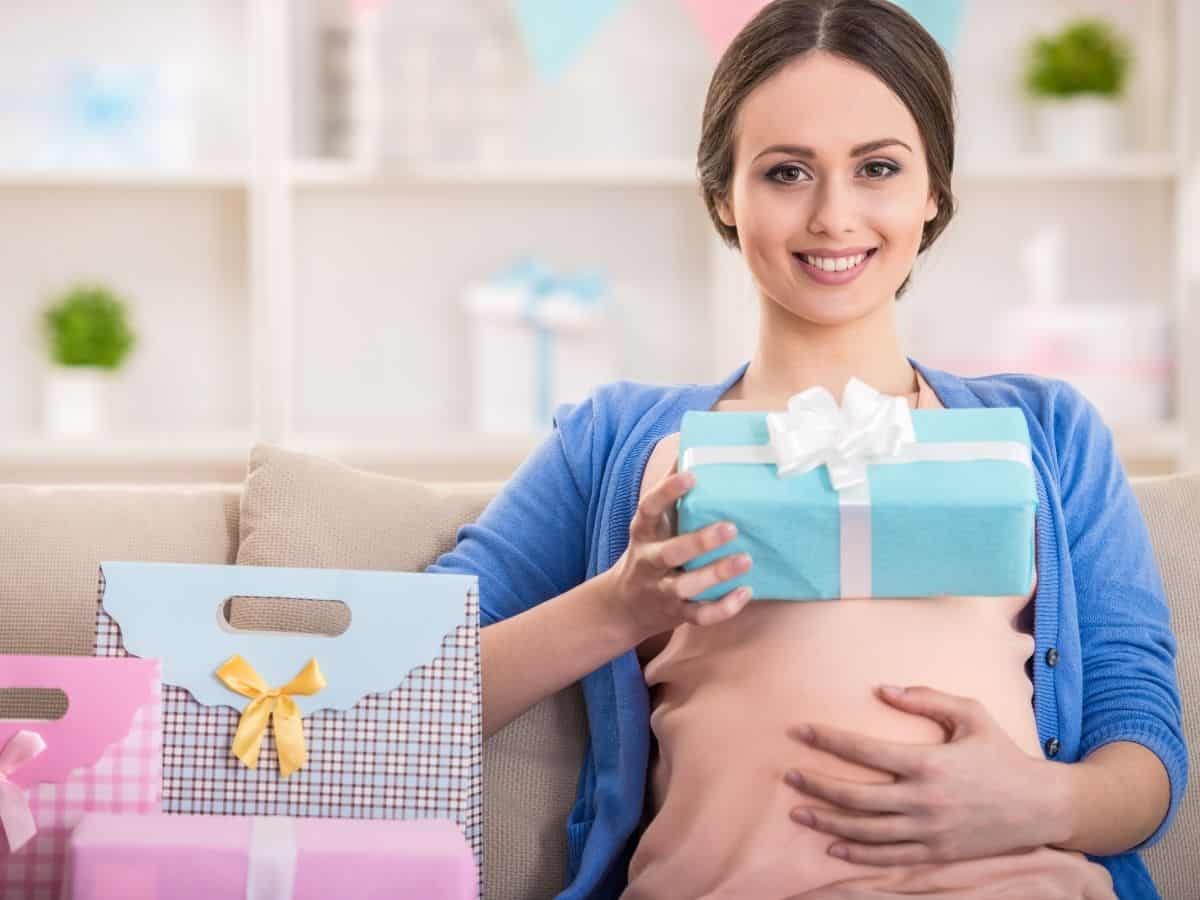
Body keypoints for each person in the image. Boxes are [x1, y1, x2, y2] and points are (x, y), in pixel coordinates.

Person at [429, 1, 1186, 897]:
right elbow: (412, 688)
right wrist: (620, 608)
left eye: (878, 168)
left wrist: (1036, 803)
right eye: (787, 172)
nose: (834, 215)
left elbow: (1142, 746)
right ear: (723, 192)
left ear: (932, 189)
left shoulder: (1049, 432)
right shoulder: (612, 438)